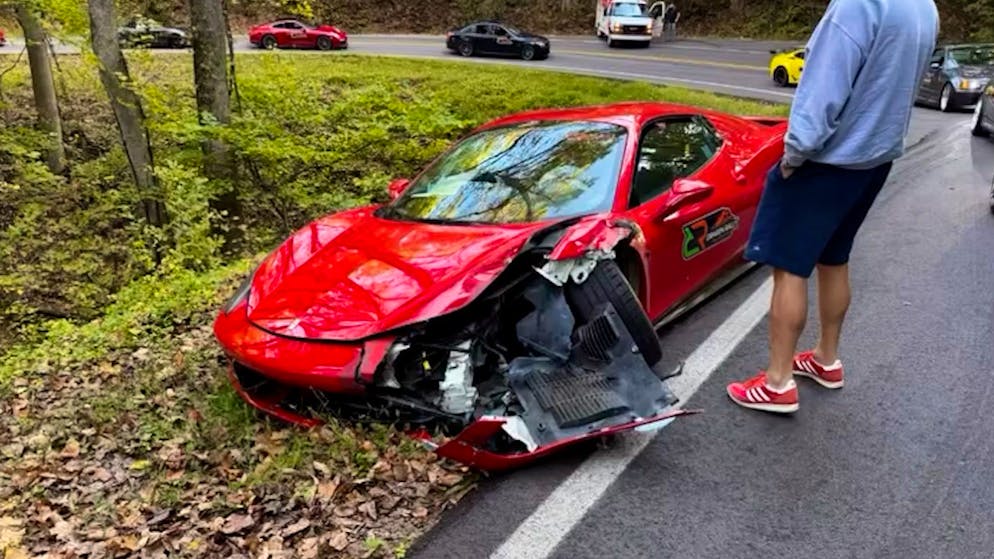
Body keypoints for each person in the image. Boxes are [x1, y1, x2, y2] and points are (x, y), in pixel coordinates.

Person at [726, 0, 939, 414]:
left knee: (789, 267)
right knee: (835, 257)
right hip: (874, 160)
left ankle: (777, 382)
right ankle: (826, 359)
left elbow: (823, 90)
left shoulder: (857, 6)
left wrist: (794, 156)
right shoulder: (924, 7)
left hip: (828, 161)